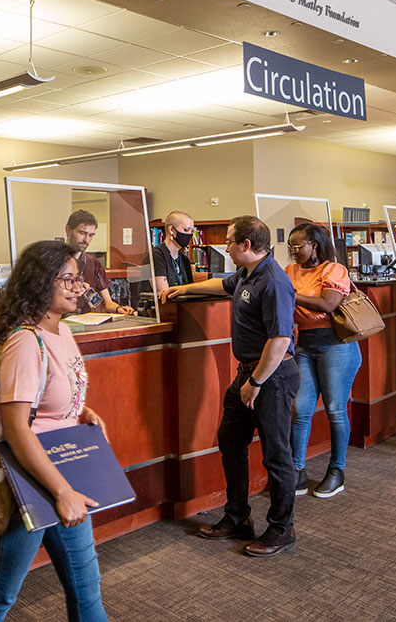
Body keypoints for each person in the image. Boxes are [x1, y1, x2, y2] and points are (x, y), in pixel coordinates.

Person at [0, 240, 109, 622]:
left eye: (78, 280)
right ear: (40, 283)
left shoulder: (61, 331)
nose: (79, 288)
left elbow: (54, 398)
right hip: (28, 481)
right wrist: (61, 493)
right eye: (69, 280)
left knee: (86, 591)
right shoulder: (25, 341)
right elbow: (16, 428)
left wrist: (81, 413)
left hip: (65, 474)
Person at [160, 216, 299, 557]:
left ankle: (282, 529)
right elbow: (221, 285)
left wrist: (255, 382)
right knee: (230, 440)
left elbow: (280, 340)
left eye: (230, 241)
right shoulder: (248, 274)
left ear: (246, 246)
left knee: (276, 455)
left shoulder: (274, 281)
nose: (225, 247)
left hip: (272, 376)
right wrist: (183, 289)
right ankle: (238, 517)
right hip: (249, 374)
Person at [285, 223, 361, 498]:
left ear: (314, 245)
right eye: (290, 247)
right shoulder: (290, 271)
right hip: (304, 343)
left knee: (335, 409)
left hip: (336, 345)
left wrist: (290, 294)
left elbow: (328, 304)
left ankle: (336, 470)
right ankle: (297, 471)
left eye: (298, 246)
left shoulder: (333, 270)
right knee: (300, 408)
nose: (293, 252)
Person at [65, 209, 135, 315]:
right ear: (68, 230)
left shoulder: (94, 263)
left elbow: (108, 303)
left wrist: (118, 309)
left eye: (91, 235)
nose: (86, 240)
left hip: (88, 322)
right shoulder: (54, 261)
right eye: (82, 233)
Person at [152, 211, 195, 293]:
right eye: (186, 230)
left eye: (191, 231)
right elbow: (163, 294)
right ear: (172, 230)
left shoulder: (184, 259)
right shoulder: (157, 255)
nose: (189, 235)